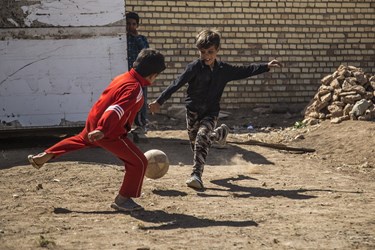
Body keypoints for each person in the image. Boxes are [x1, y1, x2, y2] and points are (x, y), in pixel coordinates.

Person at [27, 48, 166, 211]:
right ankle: (123, 200)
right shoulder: (134, 88)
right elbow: (117, 109)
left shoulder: (122, 78)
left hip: (93, 122)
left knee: (80, 140)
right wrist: (103, 129)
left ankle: (45, 155)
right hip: (108, 131)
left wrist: (98, 126)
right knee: (139, 162)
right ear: (152, 75)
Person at [149, 29, 282, 190]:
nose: (206, 56)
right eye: (202, 52)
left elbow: (244, 71)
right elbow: (177, 83)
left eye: (210, 52)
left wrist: (265, 66)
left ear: (217, 50)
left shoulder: (223, 70)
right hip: (192, 113)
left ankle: (196, 175)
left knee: (201, 139)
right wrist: (159, 101)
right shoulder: (194, 67)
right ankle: (220, 134)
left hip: (211, 112)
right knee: (198, 146)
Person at [126, 11, 150, 136]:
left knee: (141, 100)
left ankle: (141, 125)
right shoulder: (122, 39)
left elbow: (146, 53)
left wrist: (136, 38)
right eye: (128, 24)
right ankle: (126, 125)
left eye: (133, 24)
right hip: (127, 76)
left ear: (137, 25)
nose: (131, 27)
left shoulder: (141, 39)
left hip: (140, 75)